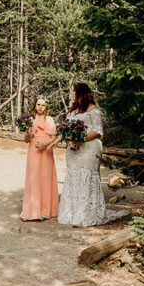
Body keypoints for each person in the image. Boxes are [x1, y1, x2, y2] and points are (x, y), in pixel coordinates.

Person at [51, 82, 127, 227]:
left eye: (74, 92)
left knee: (87, 176)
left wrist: (80, 139)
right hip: (74, 149)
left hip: (90, 149)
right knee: (74, 175)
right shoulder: (72, 111)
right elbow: (66, 129)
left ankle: (88, 214)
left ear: (81, 93)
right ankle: (73, 213)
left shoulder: (94, 111)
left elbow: (97, 130)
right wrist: (57, 141)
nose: (72, 95)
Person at [21, 97, 58, 221]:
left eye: (43, 105)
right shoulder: (30, 120)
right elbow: (26, 140)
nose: (40, 107)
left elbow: (53, 137)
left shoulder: (49, 119)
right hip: (33, 151)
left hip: (46, 151)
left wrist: (44, 144)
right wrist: (27, 135)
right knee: (33, 177)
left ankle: (45, 210)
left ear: (46, 107)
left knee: (45, 178)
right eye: (38, 104)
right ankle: (31, 210)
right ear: (35, 106)